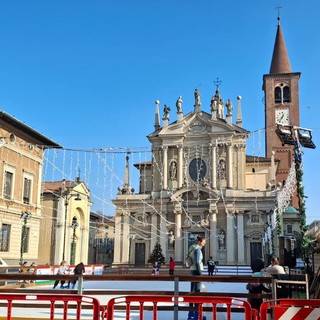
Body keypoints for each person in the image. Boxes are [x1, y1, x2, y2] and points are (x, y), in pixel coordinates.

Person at [188, 236, 206, 320]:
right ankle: (197, 315)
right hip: (197, 271)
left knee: (192, 291)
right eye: (203, 242)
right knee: (197, 292)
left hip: (192, 270)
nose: (204, 244)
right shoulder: (198, 250)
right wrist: (200, 273)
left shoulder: (192, 248)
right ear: (199, 242)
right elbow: (198, 262)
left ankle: (191, 313)